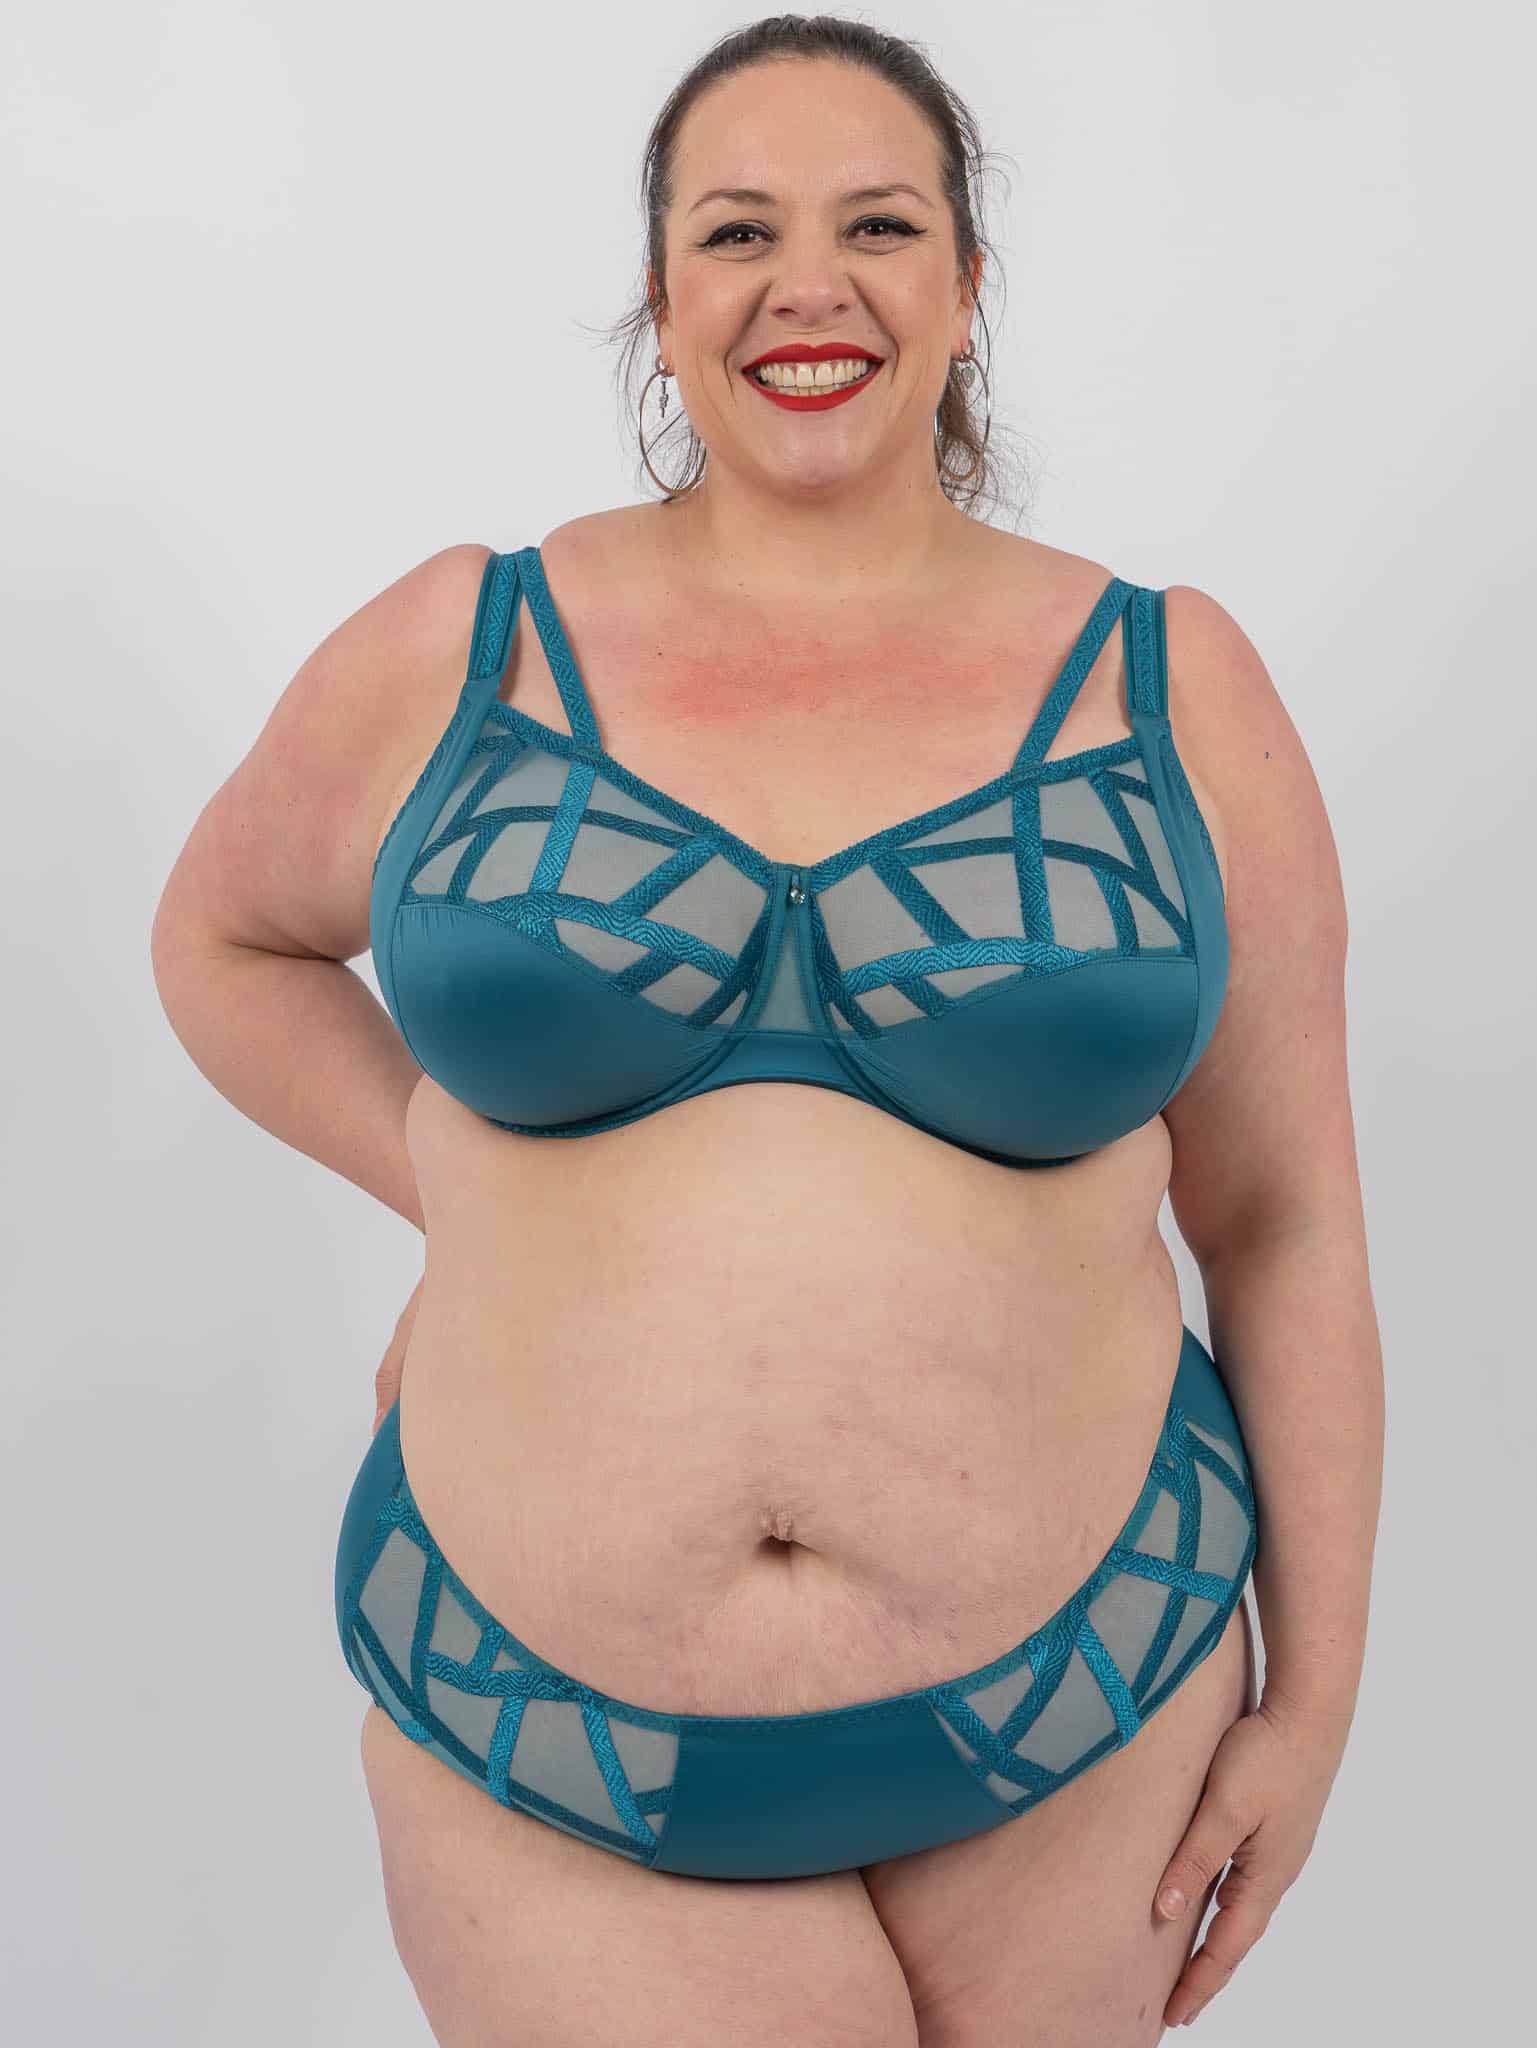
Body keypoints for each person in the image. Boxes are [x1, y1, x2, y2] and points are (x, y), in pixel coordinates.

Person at [150, 16, 1383, 2045]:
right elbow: (222, 941)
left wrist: (1315, 1707)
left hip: (1091, 1721)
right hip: (545, 1735)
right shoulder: (466, 645)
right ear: (662, 302)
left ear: (966, 286)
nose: (808, 284)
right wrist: (459, 1188)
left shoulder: (1170, 686)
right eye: (738, 232)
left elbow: (1288, 1222)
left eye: (877, 226)